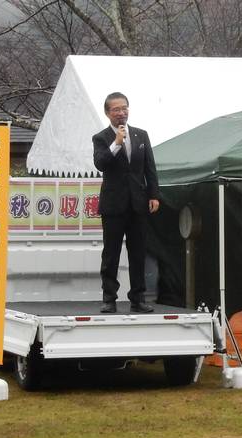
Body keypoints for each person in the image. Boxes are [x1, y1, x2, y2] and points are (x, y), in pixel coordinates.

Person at [93, 92, 161, 313]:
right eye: (116, 110)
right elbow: (101, 164)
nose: (121, 113)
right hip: (113, 204)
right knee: (111, 253)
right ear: (107, 113)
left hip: (138, 203)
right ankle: (109, 298)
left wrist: (154, 195)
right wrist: (116, 143)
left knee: (138, 252)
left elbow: (149, 168)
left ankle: (138, 298)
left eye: (124, 108)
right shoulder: (101, 138)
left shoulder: (141, 135)